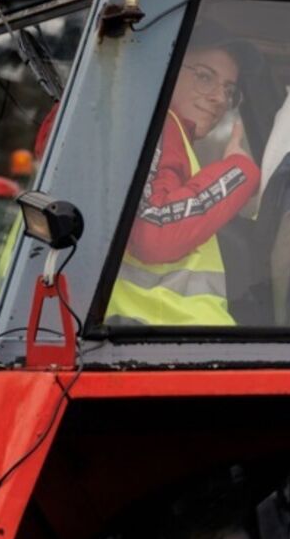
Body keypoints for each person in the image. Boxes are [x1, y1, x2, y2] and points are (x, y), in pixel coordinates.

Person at [105, 20, 261, 326]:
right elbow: (154, 233)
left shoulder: (136, 131)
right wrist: (238, 171)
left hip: (137, 340)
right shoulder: (157, 127)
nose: (219, 98)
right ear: (167, 70)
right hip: (161, 344)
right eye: (204, 77)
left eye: (229, 90)